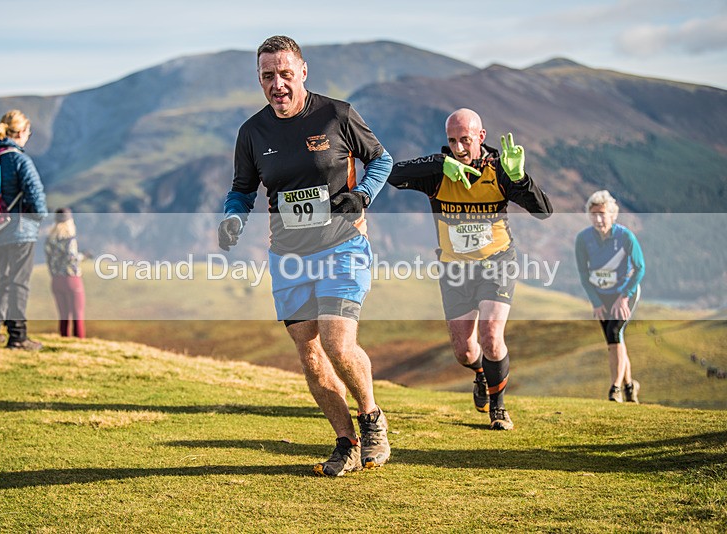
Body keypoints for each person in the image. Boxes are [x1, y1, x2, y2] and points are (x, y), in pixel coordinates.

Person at [217, 36, 394, 476]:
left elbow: (382, 160)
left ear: (303, 71)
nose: (277, 84)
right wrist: (233, 218)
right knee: (310, 352)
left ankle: (371, 418)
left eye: (284, 74)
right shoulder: (252, 132)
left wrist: (363, 195)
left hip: (342, 244)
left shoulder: (337, 114)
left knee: (337, 342)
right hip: (289, 256)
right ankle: (346, 442)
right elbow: (242, 190)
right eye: (267, 76)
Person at [387, 108, 553, 430]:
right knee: (465, 351)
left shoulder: (500, 170)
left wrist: (520, 179)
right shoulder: (440, 172)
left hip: (496, 262)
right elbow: (391, 174)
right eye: (452, 140)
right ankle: (481, 373)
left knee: (492, 335)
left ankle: (499, 408)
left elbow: (544, 211)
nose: (459, 148)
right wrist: (440, 163)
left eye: (465, 140)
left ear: (481, 136)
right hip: (455, 269)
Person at [0, 110, 48, 350]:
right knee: (19, 282)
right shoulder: (19, 159)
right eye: (28, 131)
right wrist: (38, 217)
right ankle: (18, 336)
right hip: (20, 228)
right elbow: (36, 195)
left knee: (5, 279)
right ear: (22, 132)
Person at [575, 190, 645, 403]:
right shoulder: (583, 239)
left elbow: (640, 268)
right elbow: (583, 275)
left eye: (603, 214)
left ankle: (614, 389)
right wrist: (596, 302)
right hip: (601, 296)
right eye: (594, 214)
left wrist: (624, 296)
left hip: (624, 294)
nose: (598, 218)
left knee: (615, 333)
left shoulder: (625, 237)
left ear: (612, 215)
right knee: (615, 340)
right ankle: (629, 385)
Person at [45, 208, 86, 338]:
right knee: (77, 313)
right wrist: (83, 256)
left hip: (56, 280)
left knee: (63, 314)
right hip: (71, 279)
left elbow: (49, 260)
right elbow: (71, 258)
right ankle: (80, 340)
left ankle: (64, 338)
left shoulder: (50, 239)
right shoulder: (69, 239)